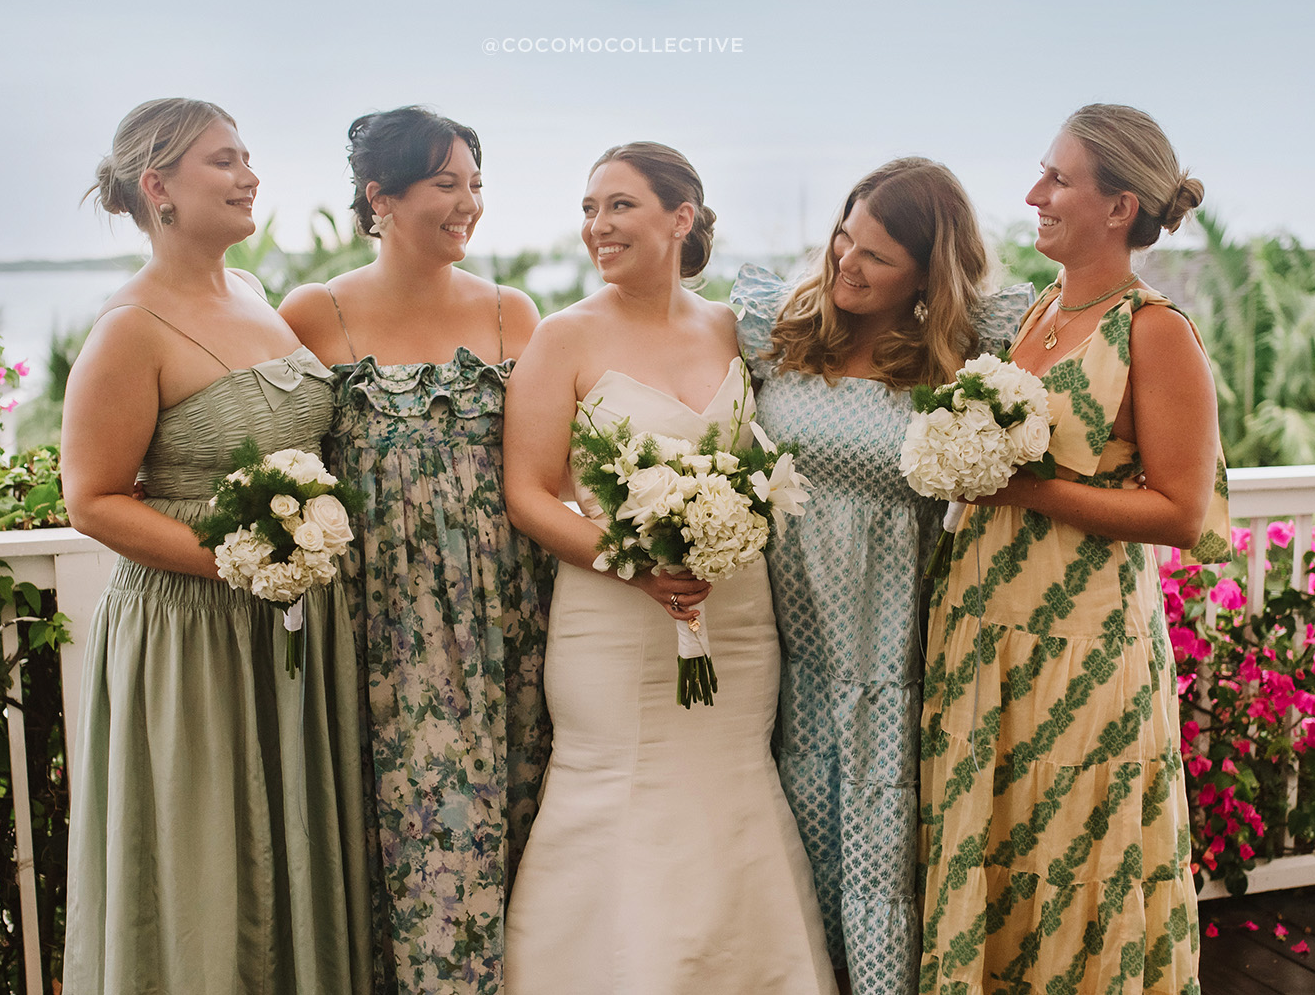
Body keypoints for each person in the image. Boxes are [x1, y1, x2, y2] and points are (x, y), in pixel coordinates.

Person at [501, 141, 836, 994]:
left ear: (680, 218)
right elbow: (530, 496)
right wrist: (632, 563)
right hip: (613, 624)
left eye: (618, 206)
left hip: (736, 616)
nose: (597, 227)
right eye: (588, 210)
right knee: (618, 794)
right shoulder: (562, 337)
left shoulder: (733, 326)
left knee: (730, 790)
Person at [914, 104, 1230, 994]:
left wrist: (1013, 487)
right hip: (985, 632)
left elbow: (1180, 509)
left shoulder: (1156, 331)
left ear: (1120, 206)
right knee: (997, 853)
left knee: (1073, 860)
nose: (1034, 194)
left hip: (1081, 651)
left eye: (1058, 179)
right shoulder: (1042, 309)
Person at [61, 98, 370, 995]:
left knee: (289, 847)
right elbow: (92, 500)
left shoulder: (253, 295)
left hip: (289, 619)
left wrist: (296, 564)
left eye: (248, 158)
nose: (250, 178)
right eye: (225, 162)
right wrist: (247, 561)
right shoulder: (129, 329)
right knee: (209, 860)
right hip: (192, 630)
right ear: (158, 187)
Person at [733, 157, 1032, 994]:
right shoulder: (775, 327)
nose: (845, 263)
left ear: (927, 276)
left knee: (879, 844)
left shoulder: (966, 358)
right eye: (843, 236)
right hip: (781, 643)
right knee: (789, 832)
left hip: (892, 652)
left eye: (876, 256)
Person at [279, 106, 549, 995]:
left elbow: (551, 466)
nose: (468, 202)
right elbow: (278, 465)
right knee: (403, 828)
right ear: (380, 196)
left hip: (509, 612)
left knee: (519, 816)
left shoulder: (515, 313)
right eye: (446, 184)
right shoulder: (314, 314)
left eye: (475, 184)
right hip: (379, 618)